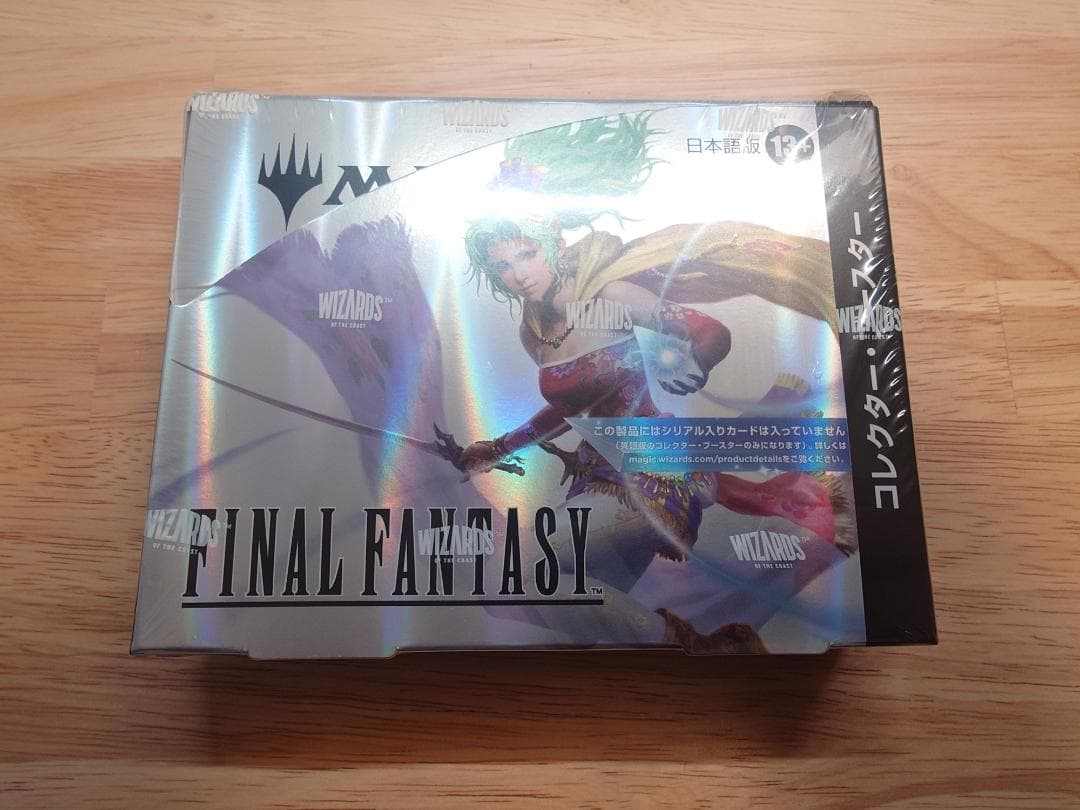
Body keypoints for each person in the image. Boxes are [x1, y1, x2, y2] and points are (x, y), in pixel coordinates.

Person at [456, 114, 848, 653]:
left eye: (527, 254)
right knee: (553, 609)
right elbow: (570, 411)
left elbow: (709, 331)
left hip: (652, 476)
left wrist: (695, 362)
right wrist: (498, 448)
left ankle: (693, 648)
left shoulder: (609, 295)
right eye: (503, 265)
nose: (520, 274)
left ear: (553, 241)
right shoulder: (534, 331)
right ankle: (711, 651)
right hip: (594, 481)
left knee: (514, 578)